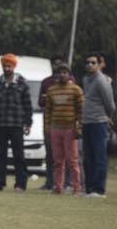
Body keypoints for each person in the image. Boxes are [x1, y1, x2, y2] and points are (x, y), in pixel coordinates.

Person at [0, 53, 33, 192]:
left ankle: (20, 184)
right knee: (1, 155)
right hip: (0, 124)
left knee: (19, 155)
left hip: (17, 124)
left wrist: (28, 123)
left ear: (13, 66)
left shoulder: (22, 82)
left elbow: (27, 105)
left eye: (9, 66)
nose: (7, 68)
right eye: (5, 65)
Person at [44, 63, 84, 196]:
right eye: (59, 72)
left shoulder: (76, 90)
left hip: (70, 129)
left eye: (64, 72)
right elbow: (48, 111)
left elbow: (81, 111)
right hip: (55, 128)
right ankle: (57, 187)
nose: (62, 74)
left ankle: (77, 188)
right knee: (58, 161)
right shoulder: (51, 90)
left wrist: (79, 127)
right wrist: (47, 127)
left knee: (72, 160)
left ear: (69, 74)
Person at [81, 52, 114, 198]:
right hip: (86, 122)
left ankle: (99, 190)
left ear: (99, 65)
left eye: (93, 62)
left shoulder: (102, 81)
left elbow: (110, 104)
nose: (90, 65)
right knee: (88, 157)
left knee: (99, 156)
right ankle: (89, 189)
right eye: (87, 62)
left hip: (98, 122)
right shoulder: (86, 79)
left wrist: (106, 117)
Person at [38, 55, 67, 191]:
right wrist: (47, 98)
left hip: (65, 123)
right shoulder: (46, 82)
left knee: (66, 155)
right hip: (49, 123)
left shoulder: (70, 82)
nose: (57, 66)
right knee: (50, 154)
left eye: (59, 64)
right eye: (54, 64)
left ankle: (66, 183)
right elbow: (40, 102)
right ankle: (50, 182)